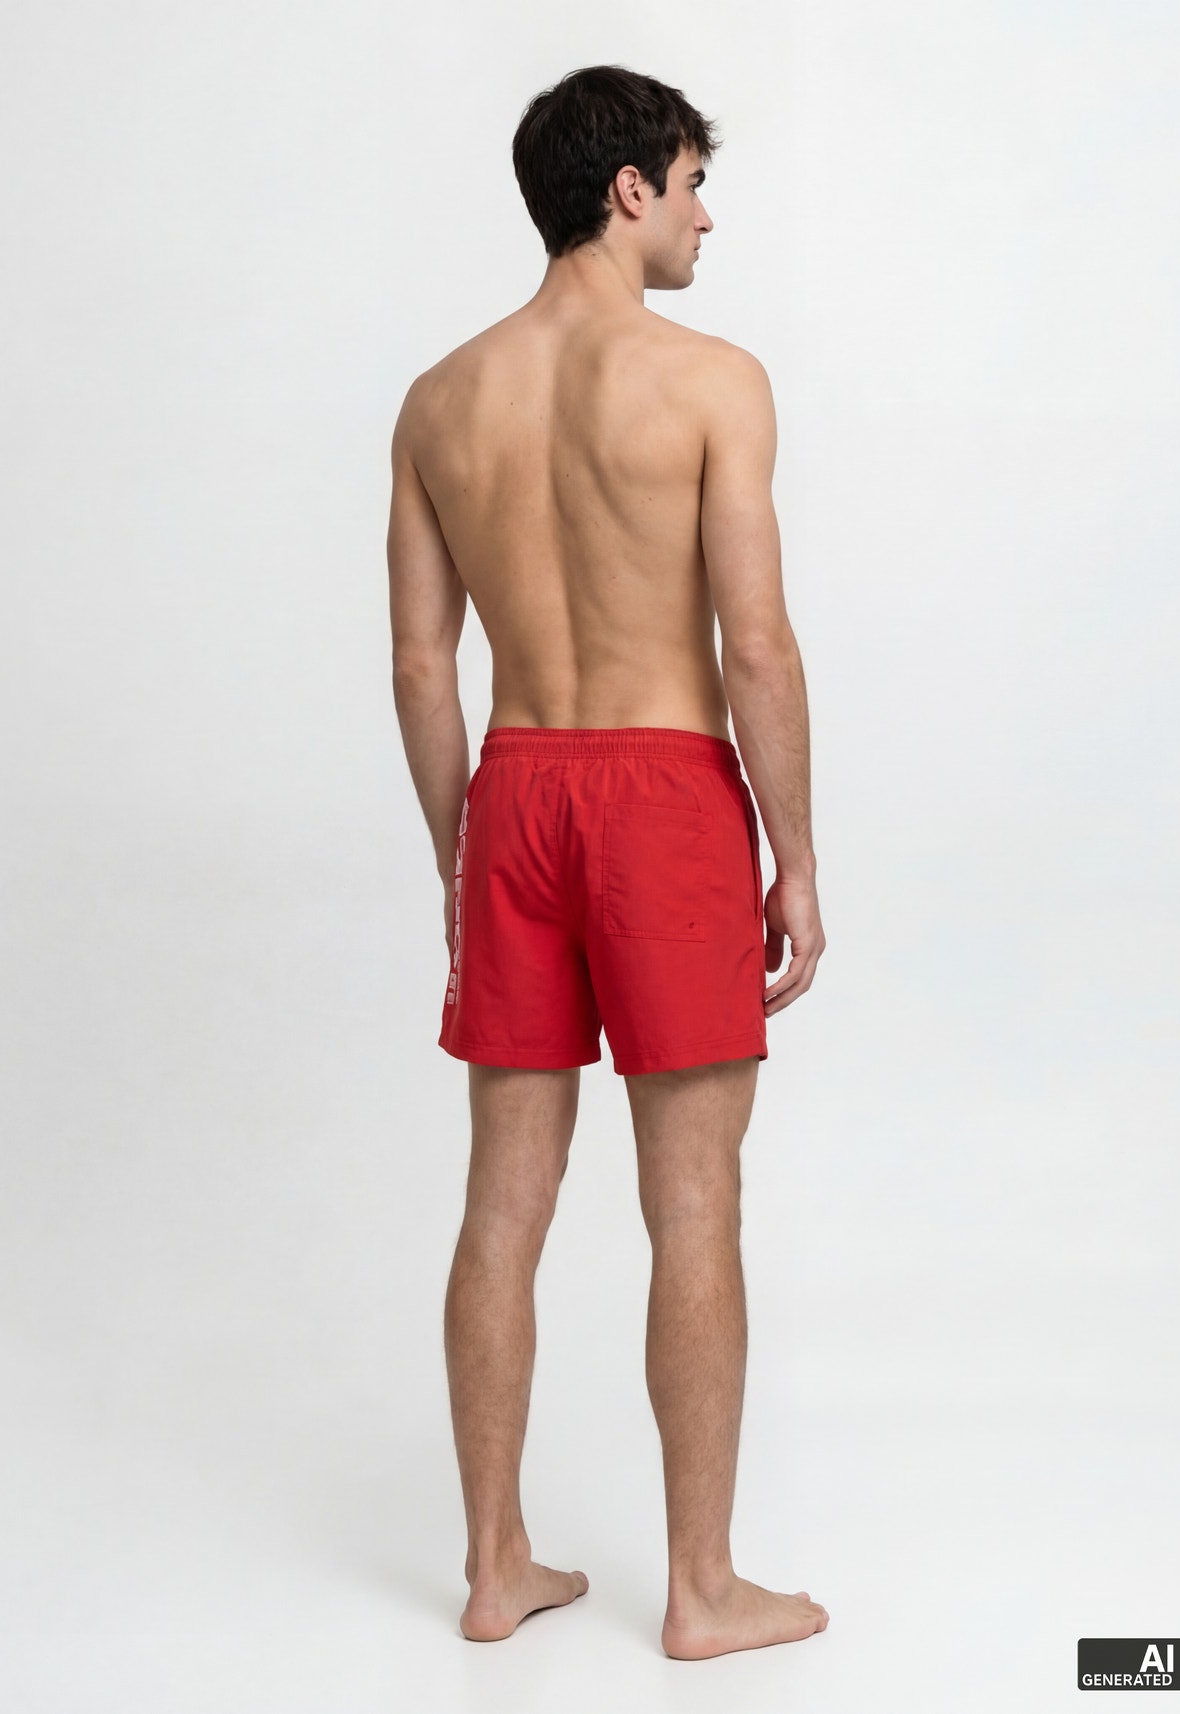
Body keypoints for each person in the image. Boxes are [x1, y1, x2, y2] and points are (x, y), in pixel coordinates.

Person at [386, 64, 826, 1660]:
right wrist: (796, 859)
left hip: (515, 787)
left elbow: (422, 668)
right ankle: (702, 1589)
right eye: (694, 184)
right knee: (692, 1197)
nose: (707, 217)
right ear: (629, 188)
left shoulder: (442, 398)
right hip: (663, 797)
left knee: (502, 1201)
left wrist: (466, 852)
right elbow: (755, 645)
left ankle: (494, 1566)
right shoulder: (712, 381)